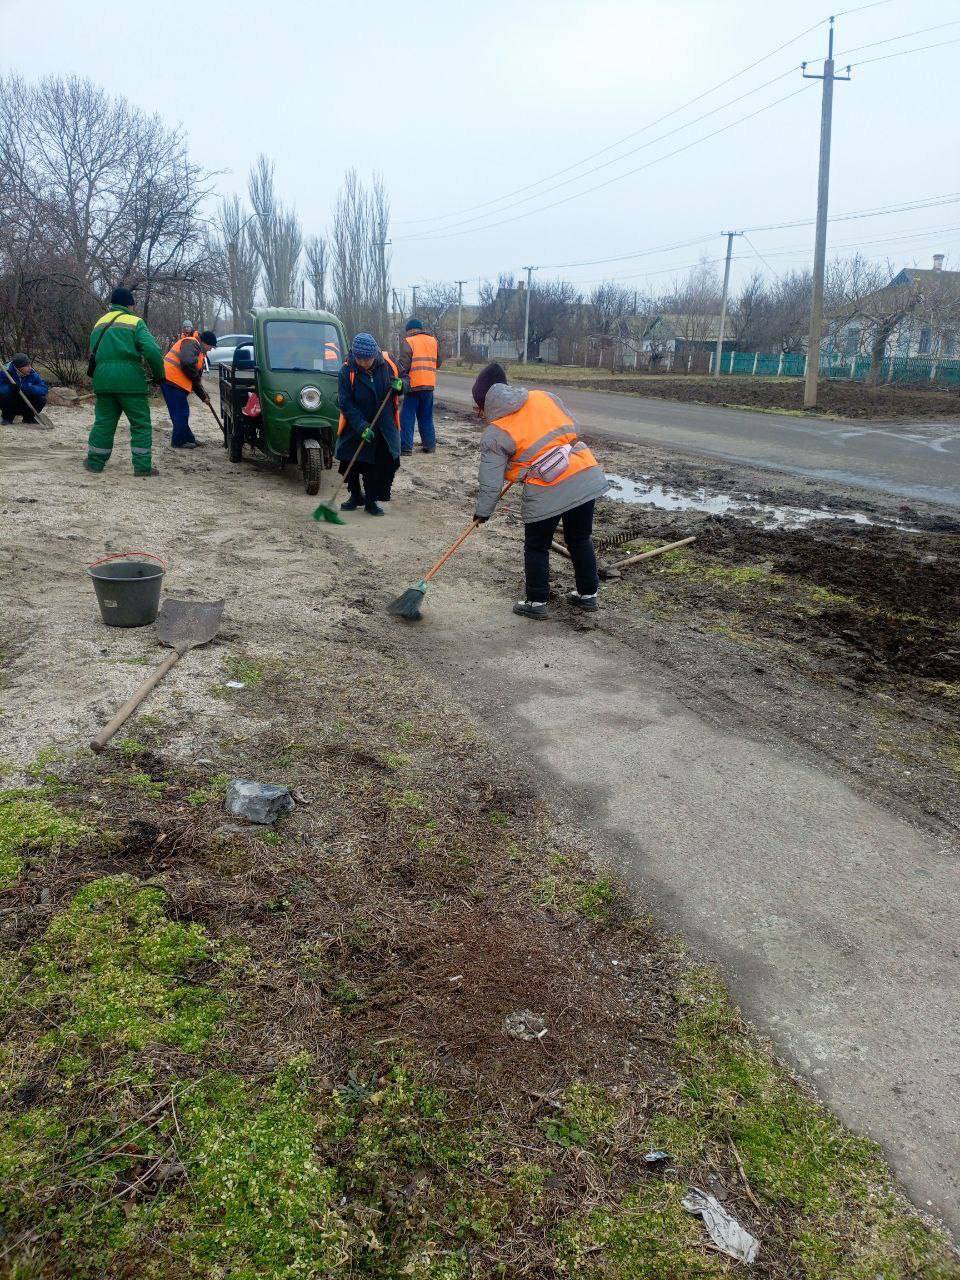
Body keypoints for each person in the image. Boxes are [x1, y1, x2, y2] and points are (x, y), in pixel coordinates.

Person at [471, 362, 608, 620]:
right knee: (579, 538)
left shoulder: (495, 432)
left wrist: (482, 513)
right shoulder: (543, 396)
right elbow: (573, 428)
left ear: (485, 403)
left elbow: (491, 482)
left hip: (548, 488)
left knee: (536, 545)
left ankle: (536, 601)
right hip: (583, 471)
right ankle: (588, 595)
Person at [85, 286, 166, 477]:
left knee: (103, 423)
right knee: (140, 424)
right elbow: (153, 352)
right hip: (130, 382)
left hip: (103, 381)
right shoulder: (135, 322)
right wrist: (159, 375)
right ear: (129, 304)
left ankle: (94, 463)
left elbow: (93, 352)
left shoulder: (99, 323)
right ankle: (142, 467)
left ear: (112, 304)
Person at [336, 333, 402, 516]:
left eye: (369, 359)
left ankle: (371, 501)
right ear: (354, 355)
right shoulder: (346, 371)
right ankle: (355, 495)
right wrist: (361, 426)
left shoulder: (388, 363)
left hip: (383, 424)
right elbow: (346, 403)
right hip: (355, 424)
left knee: (377, 465)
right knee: (352, 461)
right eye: (361, 359)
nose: (365, 363)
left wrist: (401, 385)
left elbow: (405, 378)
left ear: (375, 353)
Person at [162, 327, 217, 448]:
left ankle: (188, 439)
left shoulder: (198, 350)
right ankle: (178, 442)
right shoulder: (192, 343)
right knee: (181, 413)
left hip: (171, 381)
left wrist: (204, 397)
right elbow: (187, 364)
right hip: (172, 381)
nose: (210, 350)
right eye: (211, 347)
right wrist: (202, 392)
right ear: (205, 343)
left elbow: (195, 380)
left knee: (179, 413)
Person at [398, 317, 441, 455]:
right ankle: (429, 445)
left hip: (413, 386)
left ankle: (405, 447)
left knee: (407, 417)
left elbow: (403, 365)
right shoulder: (433, 341)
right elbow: (438, 362)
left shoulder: (408, 341)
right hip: (429, 386)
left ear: (409, 330)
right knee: (426, 416)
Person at [0, 354, 48, 424]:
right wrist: (10, 388)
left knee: (41, 399)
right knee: (4, 397)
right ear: (19, 367)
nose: (30, 368)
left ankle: (29, 418)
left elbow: (44, 388)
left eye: (30, 365)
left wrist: (29, 388)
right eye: (27, 366)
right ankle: (7, 418)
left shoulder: (32, 373)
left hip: (26, 401)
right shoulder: (5, 372)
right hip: (12, 401)